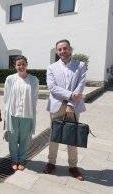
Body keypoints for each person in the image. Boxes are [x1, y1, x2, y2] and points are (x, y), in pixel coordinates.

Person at [43, 39, 87, 181]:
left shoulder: (80, 65)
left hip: (73, 106)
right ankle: (51, 162)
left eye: (65, 48)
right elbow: (52, 87)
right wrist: (69, 96)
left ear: (70, 49)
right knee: (54, 136)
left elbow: (80, 86)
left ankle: (73, 166)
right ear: (57, 52)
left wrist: (71, 104)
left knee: (72, 136)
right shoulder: (51, 67)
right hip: (56, 106)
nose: (62, 51)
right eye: (60, 49)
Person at [3, 55, 39, 171]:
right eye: (18, 64)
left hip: (27, 114)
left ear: (26, 65)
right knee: (12, 138)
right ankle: (14, 159)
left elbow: (35, 97)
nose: (21, 66)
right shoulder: (10, 79)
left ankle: (22, 159)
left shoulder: (34, 80)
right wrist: (6, 114)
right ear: (15, 66)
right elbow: (6, 97)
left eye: (23, 64)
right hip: (13, 114)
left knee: (24, 138)